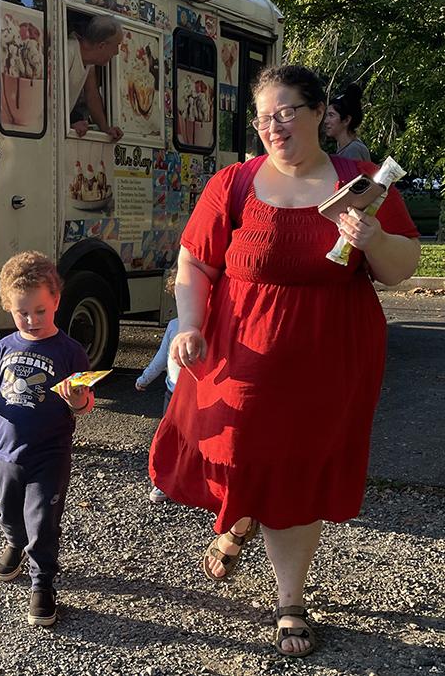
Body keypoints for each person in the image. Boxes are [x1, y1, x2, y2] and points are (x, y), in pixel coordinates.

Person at [149, 65, 420, 658]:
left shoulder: (364, 181)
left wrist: (372, 238)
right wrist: (189, 325)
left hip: (331, 357)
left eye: (286, 112)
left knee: (298, 467)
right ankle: (238, 520)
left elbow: (401, 268)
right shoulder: (235, 184)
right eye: (263, 116)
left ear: (320, 112)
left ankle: (290, 600)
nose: (273, 126)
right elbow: (196, 262)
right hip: (242, 349)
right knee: (239, 451)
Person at [0, 251, 94, 628]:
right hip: (7, 453)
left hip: (50, 454)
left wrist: (77, 398)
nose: (31, 320)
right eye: (21, 312)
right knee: (9, 511)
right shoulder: (4, 347)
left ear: (56, 300)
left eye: (40, 311)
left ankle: (42, 584)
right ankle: (14, 543)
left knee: (43, 520)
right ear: (8, 308)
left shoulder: (69, 351)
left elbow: (85, 402)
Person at [135, 270, 179, 504]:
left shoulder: (211, 324)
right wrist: (145, 378)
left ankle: (185, 482)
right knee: (168, 438)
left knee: (186, 439)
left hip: (195, 394)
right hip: (174, 392)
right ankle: (163, 481)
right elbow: (161, 358)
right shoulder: (174, 326)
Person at [67, 14, 124, 141]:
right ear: (102, 46)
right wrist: (68, 125)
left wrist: (105, 128)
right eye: (116, 45)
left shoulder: (89, 62)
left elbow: (92, 95)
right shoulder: (69, 52)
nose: (117, 52)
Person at [323, 84, 372, 162]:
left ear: (346, 120)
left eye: (331, 115)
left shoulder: (353, 150)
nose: (326, 121)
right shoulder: (343, 147)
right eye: (327, 115)